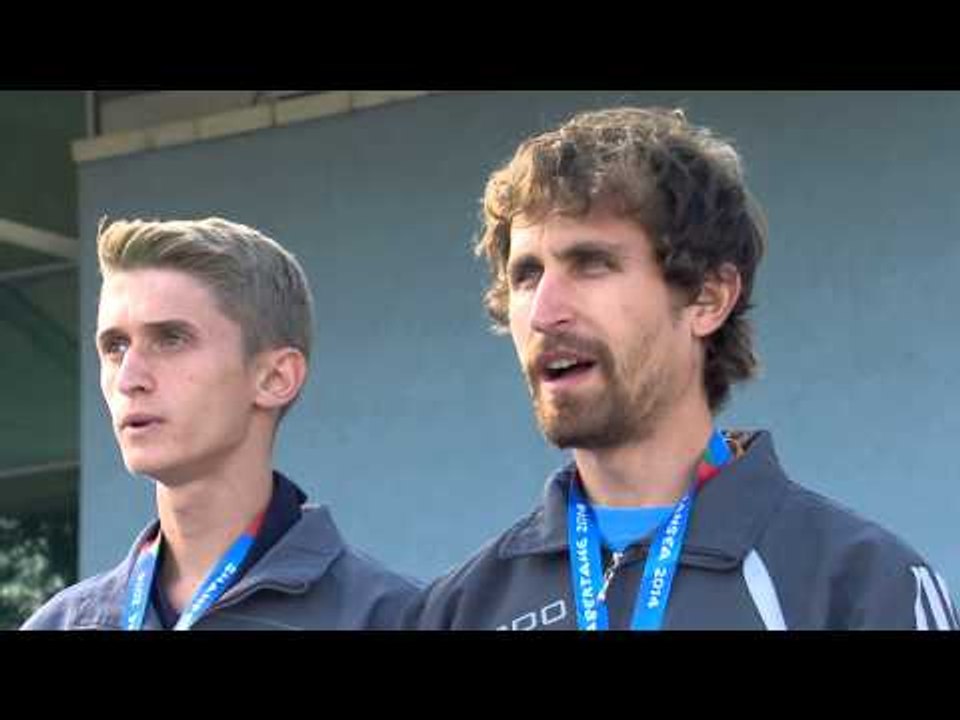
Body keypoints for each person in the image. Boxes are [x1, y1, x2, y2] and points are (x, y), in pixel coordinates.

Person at [411, 107, 958, 630]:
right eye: (527, 276)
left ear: (707, 299)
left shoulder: (859, 586)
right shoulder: (459, 610)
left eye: (592, 264)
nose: (547, 312)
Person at [23, 217, 418, 630]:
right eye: (115, 346)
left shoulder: (396, 616)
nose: (128, 379)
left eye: (171, 339)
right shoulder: (59, 622)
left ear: (275, 378)